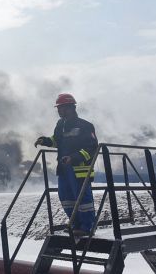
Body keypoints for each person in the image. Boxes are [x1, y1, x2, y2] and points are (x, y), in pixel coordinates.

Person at [35, 93, 98, 236]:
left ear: (70, 107)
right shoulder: (60, 125)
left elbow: (92, 147)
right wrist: (44, 141)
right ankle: (75, 224)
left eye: (61, 108)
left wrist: (74, 158)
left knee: (82, 199)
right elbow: (56, 140)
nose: (59, 111)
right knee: (65, 197)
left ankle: (87, 227)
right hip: (64, 168)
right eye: (58, 108)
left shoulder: (85, 126)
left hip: (80, 169)